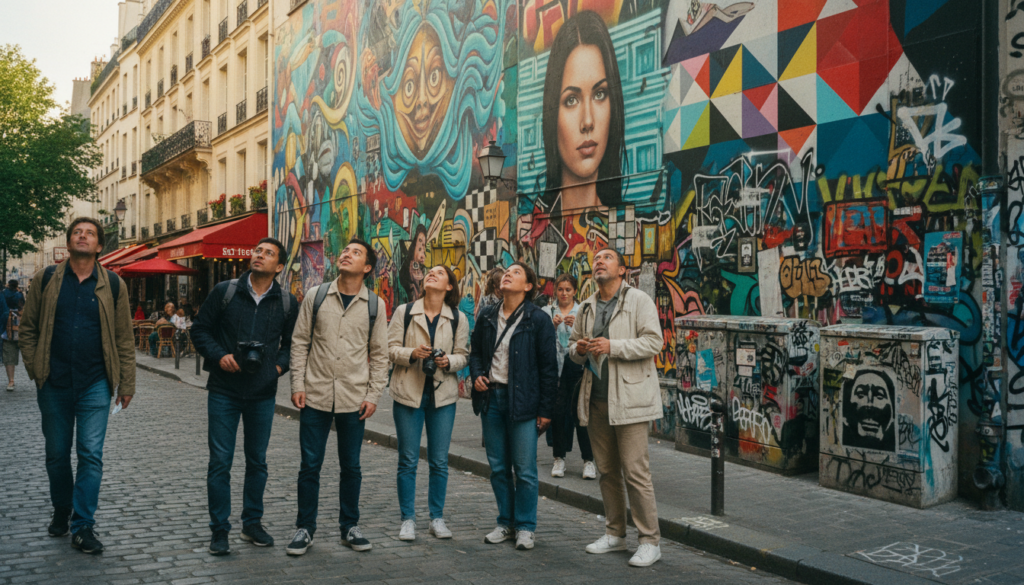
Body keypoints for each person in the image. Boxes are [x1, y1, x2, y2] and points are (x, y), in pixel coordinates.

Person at [19, 217, 135, 554]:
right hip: (53, 382)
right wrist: (35, 367)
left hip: (95, 383)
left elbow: (124, 338)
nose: (82, 237)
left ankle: (83, 524)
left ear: (99, 246)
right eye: (77, 232)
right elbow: (27, 330)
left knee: (90, 455)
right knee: (56, 455)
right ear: (68, 242)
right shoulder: (46, 279)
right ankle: (61, 507)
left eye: (90, 234)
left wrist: (126, 382)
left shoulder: (113, 284)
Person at [191, 238, 299, 556]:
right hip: (224, 390)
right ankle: (219, 530)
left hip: (262, 393)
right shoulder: (226, 291)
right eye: (257, 251)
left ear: (279, 266)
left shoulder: (286, 302)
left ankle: (252, 524)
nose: (259, 255)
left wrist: (277, 368)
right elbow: (200, 330)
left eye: (267, 253)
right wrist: (219, 355)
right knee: (220, 463)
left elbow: (292, 344)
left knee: (257, 462)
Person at [285, 239, 388, 557]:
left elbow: (379, 354)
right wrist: (297, 383)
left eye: (355, 253)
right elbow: (300, 341)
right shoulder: (316, 296)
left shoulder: (374, 305)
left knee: (351, 467)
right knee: (309, 466)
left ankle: (350, 527)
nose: (346, 253)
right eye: (345, 250)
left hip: (353, 398)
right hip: (315, 394)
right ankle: (305, 528)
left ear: (367, 267)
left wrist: (373, 395)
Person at [569, 248, 665, 567]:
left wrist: (614, 347)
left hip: (630, 400)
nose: (599, 261)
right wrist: (580, 349)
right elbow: (572, 349)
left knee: (635, 472)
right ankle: (615, 534)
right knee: (606, 470)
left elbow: (654, 342)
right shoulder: (586, 306)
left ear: (622, 270)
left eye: (607, 257)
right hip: (596, 399)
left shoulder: (638, 301)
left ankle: (650, 540)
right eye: (596, 258)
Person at [469, 262, 558, 551]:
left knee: (525, 469)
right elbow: (476, 354)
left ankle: (526, 527)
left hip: (524, 402)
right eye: (507, 271)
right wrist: (477, 375)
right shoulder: (487, 315)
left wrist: (546, 410)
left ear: (529, 286)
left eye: (517, 272)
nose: (508, 273)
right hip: (492, 399)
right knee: (497, 468)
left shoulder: (538, 319)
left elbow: (548, 368)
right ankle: (505, 522)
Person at [387, 265, 469, 542]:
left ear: (449, 286)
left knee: (439, 461)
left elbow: (463, 355)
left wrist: (449, 361)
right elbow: (390, 349)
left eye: (439, 273)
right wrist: (412, 353)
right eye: (429, 271)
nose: (431, 274)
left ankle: (437, 518)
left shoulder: (458, 317)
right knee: (408, 460)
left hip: (442, 396)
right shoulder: (405, 311)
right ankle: (407, 519)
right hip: (409, 393)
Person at [542, 11, 626, 211]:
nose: (588, 121)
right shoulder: (528, 230)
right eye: (571, 100)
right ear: (552, 115)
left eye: (599, 94)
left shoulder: (631, 233)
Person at [541, 274, 595, 479]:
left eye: (568, 290)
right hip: (554, 368)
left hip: (576, 367)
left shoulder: (583, 311)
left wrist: (576, 330)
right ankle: (559, 458)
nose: (564, 293)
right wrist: (552, 327)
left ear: (575, 291)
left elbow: (589, 340)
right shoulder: (547, 311)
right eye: (560, 289)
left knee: (581, 414)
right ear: (555, 291)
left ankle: (588, 461)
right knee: (558, 414)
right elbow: (540, 341)